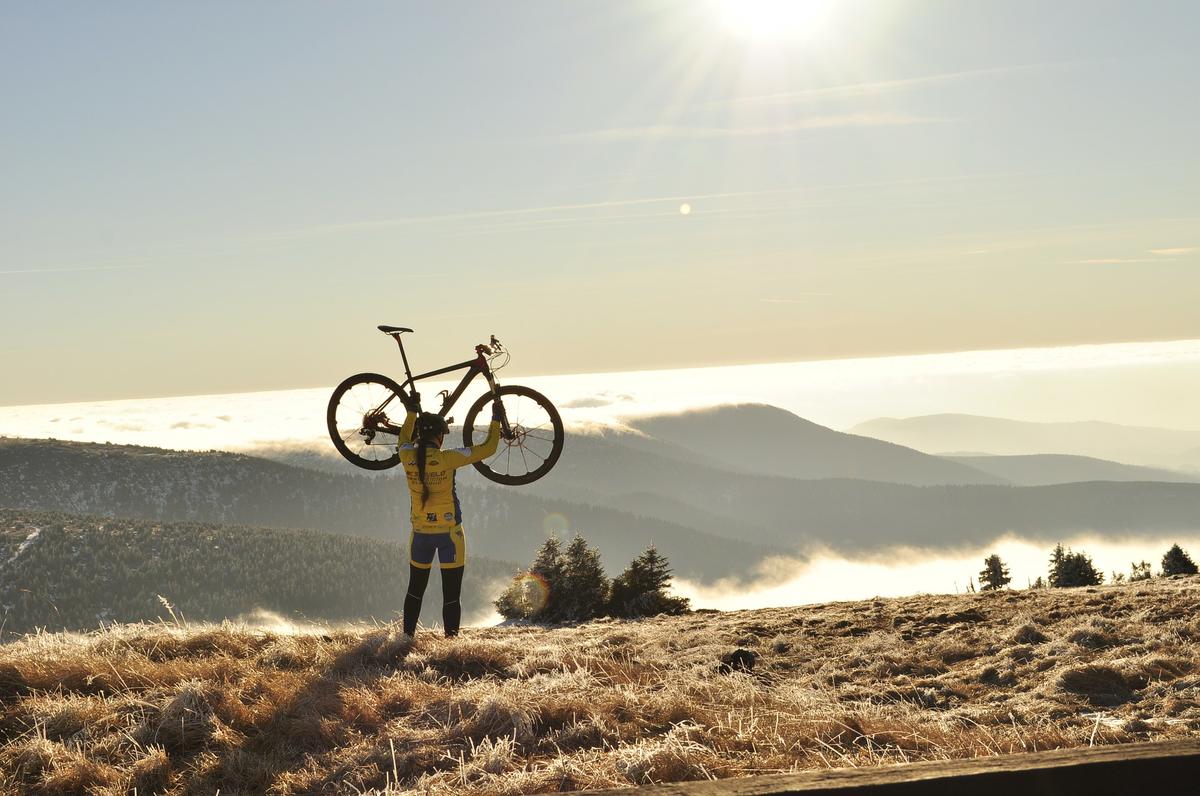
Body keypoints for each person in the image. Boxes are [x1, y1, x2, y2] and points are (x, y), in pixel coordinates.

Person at [394, 399, 502, 638]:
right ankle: (451, 644)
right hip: (450, 535)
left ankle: (405, 640)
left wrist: (411, 412)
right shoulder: (448, 458)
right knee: (451, 595)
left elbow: (402, 438)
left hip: (420, 535)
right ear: (440, 438)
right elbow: (488, 448)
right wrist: (495, 420)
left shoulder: (405, 455)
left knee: (415, 591)